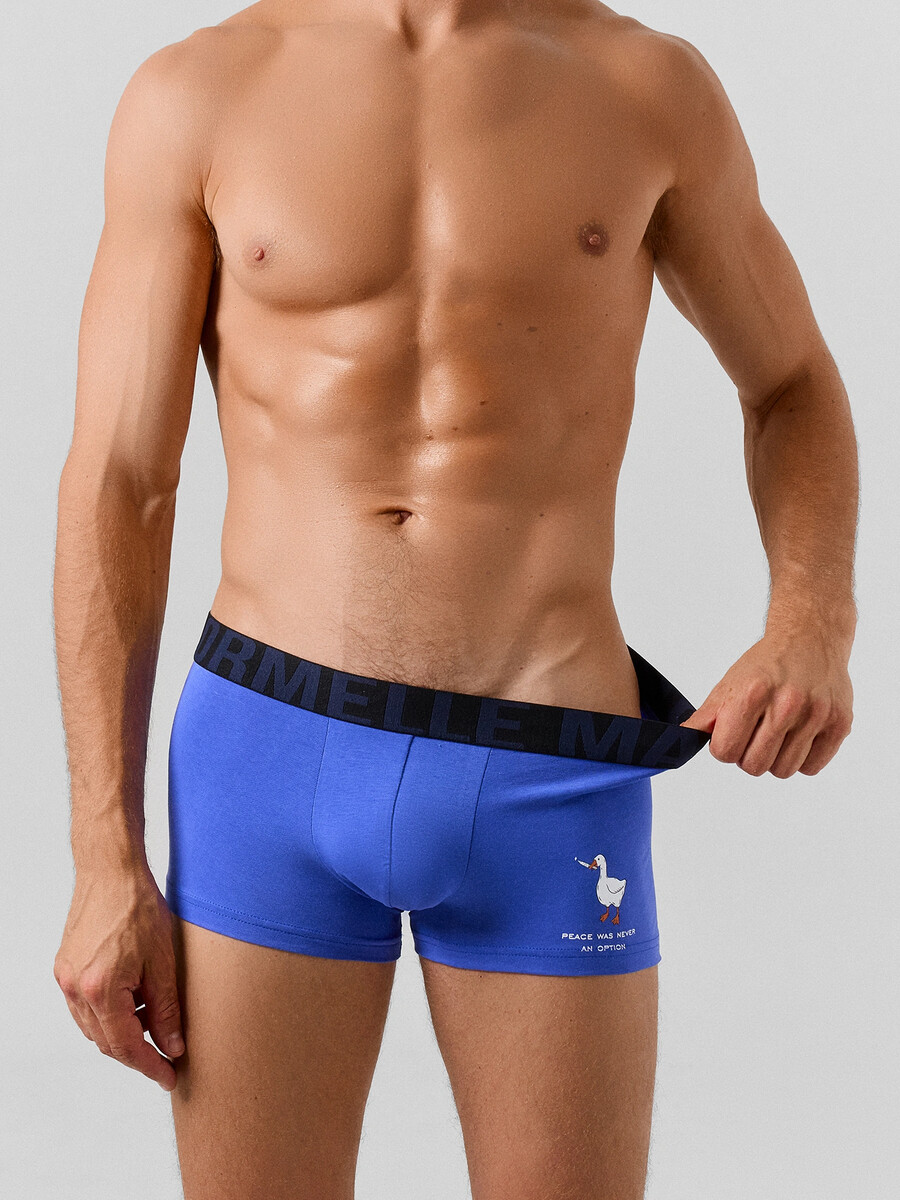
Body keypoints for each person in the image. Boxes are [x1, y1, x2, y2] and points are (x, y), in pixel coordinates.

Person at [51, 1, 858, 1196]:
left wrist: (812, 620)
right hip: (267, 759)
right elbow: (122, 479)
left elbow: (790, 382)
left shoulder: (646, 88)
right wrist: (102, 855)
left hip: (548, 769)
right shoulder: (200, 91)